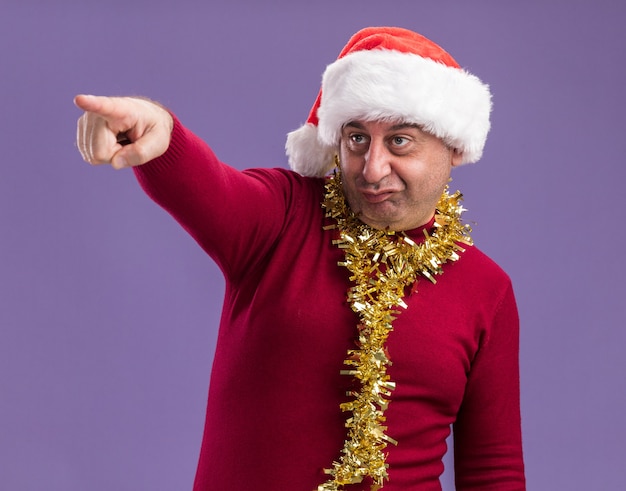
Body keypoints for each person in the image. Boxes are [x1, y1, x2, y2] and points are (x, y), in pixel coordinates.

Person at [75, 27, 525, 491]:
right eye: (355, 140)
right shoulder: (283, 215)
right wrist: (158, 130)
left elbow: (495, 469)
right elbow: (211, 190)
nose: (372, 168)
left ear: (452, 148)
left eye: (399, 141)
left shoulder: (486, 290)